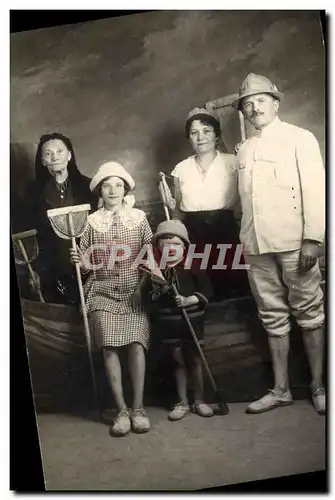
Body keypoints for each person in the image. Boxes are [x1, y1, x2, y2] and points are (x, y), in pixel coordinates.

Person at [232, 73, 325, 414]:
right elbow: (242, 200)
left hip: (295, 243)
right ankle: (281, 389)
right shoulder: (245, 149)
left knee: (310, 313)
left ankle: (318, 386)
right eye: (246, 104)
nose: (252, 107)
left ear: (275, 102)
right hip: (256, 245)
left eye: (259, 100)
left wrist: (313, 239)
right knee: (272, 317)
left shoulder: (300, 138)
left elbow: (316, 190)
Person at [70, 162, 153, 437]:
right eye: (107, 185)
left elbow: (150, 257)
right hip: (102, 291)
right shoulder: (91, 222)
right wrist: (79, 261)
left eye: (118, 185)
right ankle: (121, 410)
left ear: (126, 188)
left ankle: (138, 408)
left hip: (133, 290)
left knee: (137, 344)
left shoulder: (139, 218)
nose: (113, 190)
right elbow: (86, 265)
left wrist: (142, 286)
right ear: (100, 191)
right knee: (109, 345)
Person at [168, 107, 248, 299]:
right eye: (194, 133)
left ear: (216, 136)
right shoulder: (181, 168)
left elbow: (246, 199)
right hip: (194, 233)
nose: (200, 137)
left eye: (206, 131)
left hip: (227, 230)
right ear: (189, 138)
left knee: (233, 285)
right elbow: (178, 209)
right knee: (202, 285)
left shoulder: (234, 162)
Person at [149, 219, 214, 421]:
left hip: (192, 323)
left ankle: (200, 400)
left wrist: (189, 299)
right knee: (177, 362)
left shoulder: (192, 267)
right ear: (158, 247)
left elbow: (207, 291)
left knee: (195, 359)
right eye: (165, 244)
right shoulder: (157, 272)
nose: (171, 248)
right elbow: (150, 297)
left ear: (184, 247)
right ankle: (182, 401)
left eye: (176, 244)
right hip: (170, 326)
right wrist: (159, 292)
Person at [29, 132, 97, 304]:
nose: (54, 157)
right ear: (43, 161)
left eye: (59, 151)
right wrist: (35, 270)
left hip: (87, 262)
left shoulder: (89, 187)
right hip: (51, 265)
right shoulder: (33, 192)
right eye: (48, 153)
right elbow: (31, 235)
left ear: (69, 155)